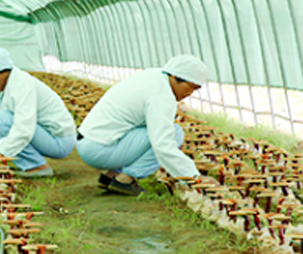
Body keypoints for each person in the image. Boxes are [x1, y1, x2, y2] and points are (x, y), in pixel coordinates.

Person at [76, 54, 216, 196]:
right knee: (175, 133)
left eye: (195, 89)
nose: (189, 93)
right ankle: (125, 180)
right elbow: (162, 144)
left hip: (91, 142)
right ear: (175, 77)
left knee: (158, 130)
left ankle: (111, 176)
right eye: (190, 87)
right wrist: (193, 177)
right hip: (99, 149)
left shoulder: (154, 77)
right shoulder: (161, 95)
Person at [0, 47, 77, 177]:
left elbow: (24, 127)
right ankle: (32, 164)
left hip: (59, 141)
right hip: (43, 135)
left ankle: (37, 167)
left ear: (6, 71)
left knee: (1, 119)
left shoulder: (22, 85)